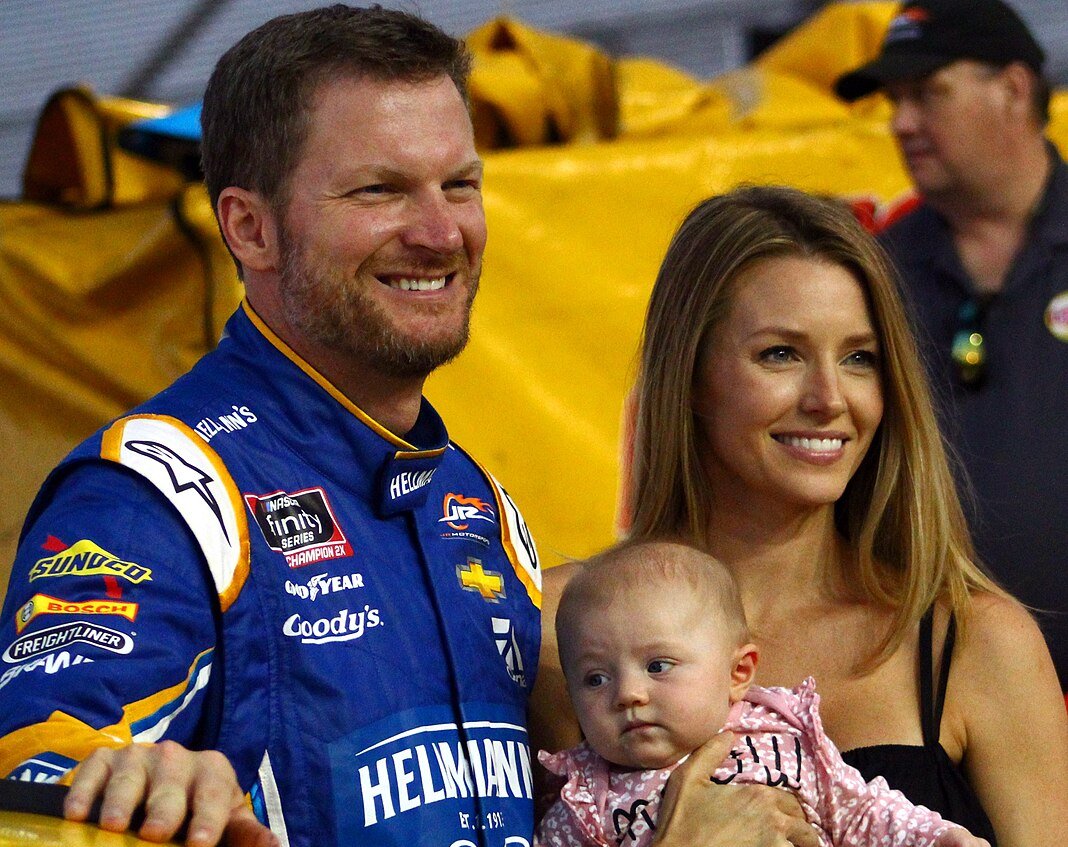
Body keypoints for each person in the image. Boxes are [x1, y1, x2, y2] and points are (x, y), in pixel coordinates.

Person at [0, 7, 544, 847]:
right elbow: (31, 763)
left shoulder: (477, 502)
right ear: (250, 228)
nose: (443, 233)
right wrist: (114, 777)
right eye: (379, 190)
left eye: (459, 185)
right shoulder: (153, 496)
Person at [531, 185, 1068, 847]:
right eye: (780, 354)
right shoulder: (553, 632)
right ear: (690, 376)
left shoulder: (977, 642)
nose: (828, 398)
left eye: (859, 358)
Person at [834, 0, 1068, 691]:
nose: (901, 123)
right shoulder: (875, 271)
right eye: (894, 101)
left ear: (1014, 89)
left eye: (928, 93)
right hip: (941, 693)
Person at [538, 540, 989, 847]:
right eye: (595, 679)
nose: (628, 694)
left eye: (658, 666)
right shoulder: (582, 802)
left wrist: (936, 837)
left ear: (738, 672)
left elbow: (860, 811)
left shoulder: (783, 740)